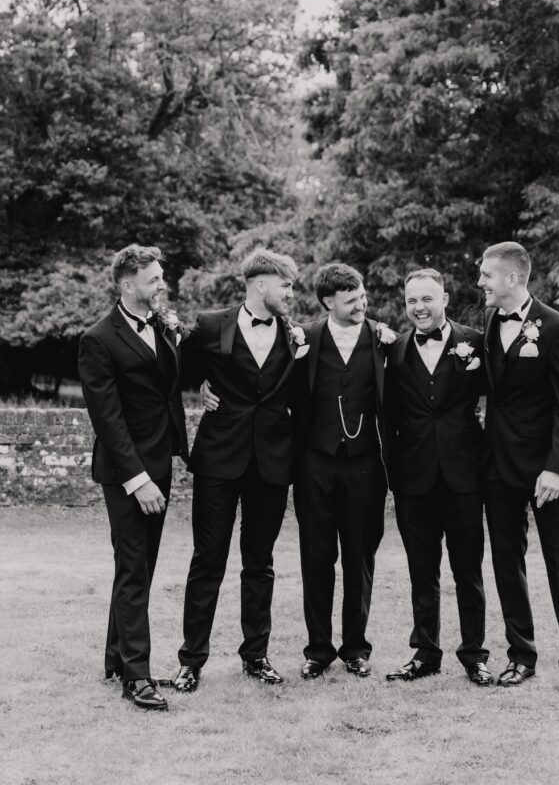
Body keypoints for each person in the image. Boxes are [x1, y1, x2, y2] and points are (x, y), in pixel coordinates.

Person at [173, 248, 301, 692]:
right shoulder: (211, 324)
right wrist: (200, 389)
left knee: (259, 563)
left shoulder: (294, 334)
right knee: (207, 560)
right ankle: (191, 661)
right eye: (286, 285)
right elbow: (177, 370)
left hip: (272, 463)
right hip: (218, 460)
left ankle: (256, 655)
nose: (290, 293)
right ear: (261, 283)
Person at [477, 241, 559, 700]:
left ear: (511, 278)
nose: (481, 282)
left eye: (487, 275)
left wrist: (554, 469)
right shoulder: (488, 323)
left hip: (544, 472)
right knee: (507, 563)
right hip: (497, 469)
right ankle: (521, 656)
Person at [78, 244, 189, 711]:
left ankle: (115, 660)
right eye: (154, 278)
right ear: (128, 284)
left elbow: (165, 390)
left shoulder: (160, 326)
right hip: (128, 473)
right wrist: (137, 479)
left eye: (161, 276)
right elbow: (108, 419)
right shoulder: (98, 338)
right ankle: (137, 677)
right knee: (132, 567)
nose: (162, 284)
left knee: (138, 566)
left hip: (159, 463)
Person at [384, 268, 492, 686]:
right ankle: (425, 653)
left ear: (445, 299)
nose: (419, 308)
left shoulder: (475, 342)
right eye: (412, 301)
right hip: (413, 479)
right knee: (421, 571)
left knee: (468, 569)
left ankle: (474, 655)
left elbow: (503, 394)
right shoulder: (393, 350)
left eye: (427, 299)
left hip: (464, 476)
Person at [291, 263, 390, 680]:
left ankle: (356, 648)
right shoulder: (303, 339)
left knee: (359, 557)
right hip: (314, 463)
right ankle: (318, 650)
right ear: (329, 301)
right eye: (351, 301)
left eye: (362, 297)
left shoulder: (386, 341)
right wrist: (208, 387)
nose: (361, 305)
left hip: (367, 465)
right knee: (316, 557)